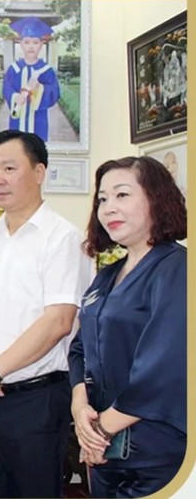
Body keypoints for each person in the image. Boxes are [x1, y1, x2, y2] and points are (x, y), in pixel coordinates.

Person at [0, 130, 92, 498]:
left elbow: (58, 321)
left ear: (40, 172)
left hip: (35, 403)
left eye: (9, 168)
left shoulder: (62, 239)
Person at [69, 156, 187, 498]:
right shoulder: (107, 276)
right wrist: (79, 407)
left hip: (156, 454)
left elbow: (165, 367)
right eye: (102, 199)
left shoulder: (176, 269)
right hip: (104, 452)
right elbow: (80, 349)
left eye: (122, 195)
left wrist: (101, 430)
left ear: (156, 198)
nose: (108, 208)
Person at [3, 16, 61, 141]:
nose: (31, 46)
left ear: (41, 44)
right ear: (21, 44)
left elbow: (54, 92)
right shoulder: (14, 69)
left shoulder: (46, 71)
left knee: (36, 149)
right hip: (17, 122)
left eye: (35, 42)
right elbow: (7, 89)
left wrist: (40, 88)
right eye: (27, 42)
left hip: (38, 121)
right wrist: (16, 97)